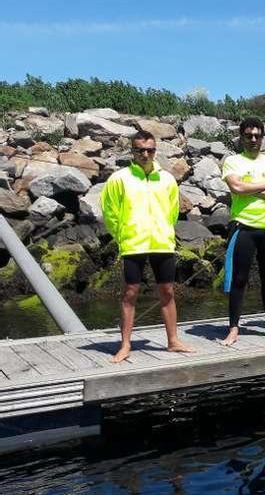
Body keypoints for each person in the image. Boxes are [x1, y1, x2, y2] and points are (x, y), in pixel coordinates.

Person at [100, 129, 193, 363]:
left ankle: (173, 341)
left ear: (155, 151)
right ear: (132, 151)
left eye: (150, 150)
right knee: (130, 293)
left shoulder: (167, 179)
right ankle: (125, 345)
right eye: (140, 150)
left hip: (162, 242)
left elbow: (173, 211)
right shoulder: (119, 178)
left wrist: (166, 231)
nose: (145, 154)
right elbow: (109, 211)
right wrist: (122, 235)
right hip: (133, 243)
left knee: (168, 291)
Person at [220, 117, 265, 345]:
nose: (253, 139)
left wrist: (249, 190)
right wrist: (263, 187)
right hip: (243, 226)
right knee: (239, 278)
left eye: (257, 136)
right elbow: (236, 187)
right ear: (241, 137)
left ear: (262, 138)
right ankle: (233, 328)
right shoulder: (233, 161)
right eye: (248, 135)